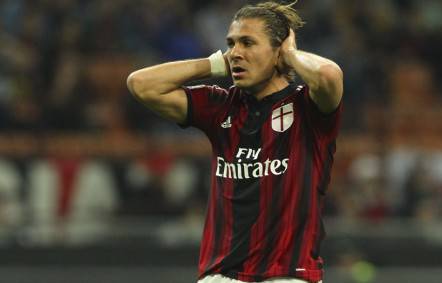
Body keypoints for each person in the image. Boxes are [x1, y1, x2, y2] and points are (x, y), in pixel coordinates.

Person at [127, 1, 343, 282]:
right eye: (232, 44)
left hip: (287, 275)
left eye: (248, 43)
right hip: (220, 275)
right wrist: (215, 64)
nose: (236, 53)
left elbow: (328, 75)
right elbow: (141, 84)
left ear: (278, 52)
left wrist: (289, 53)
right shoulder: (221, 106)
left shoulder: (307, 108)